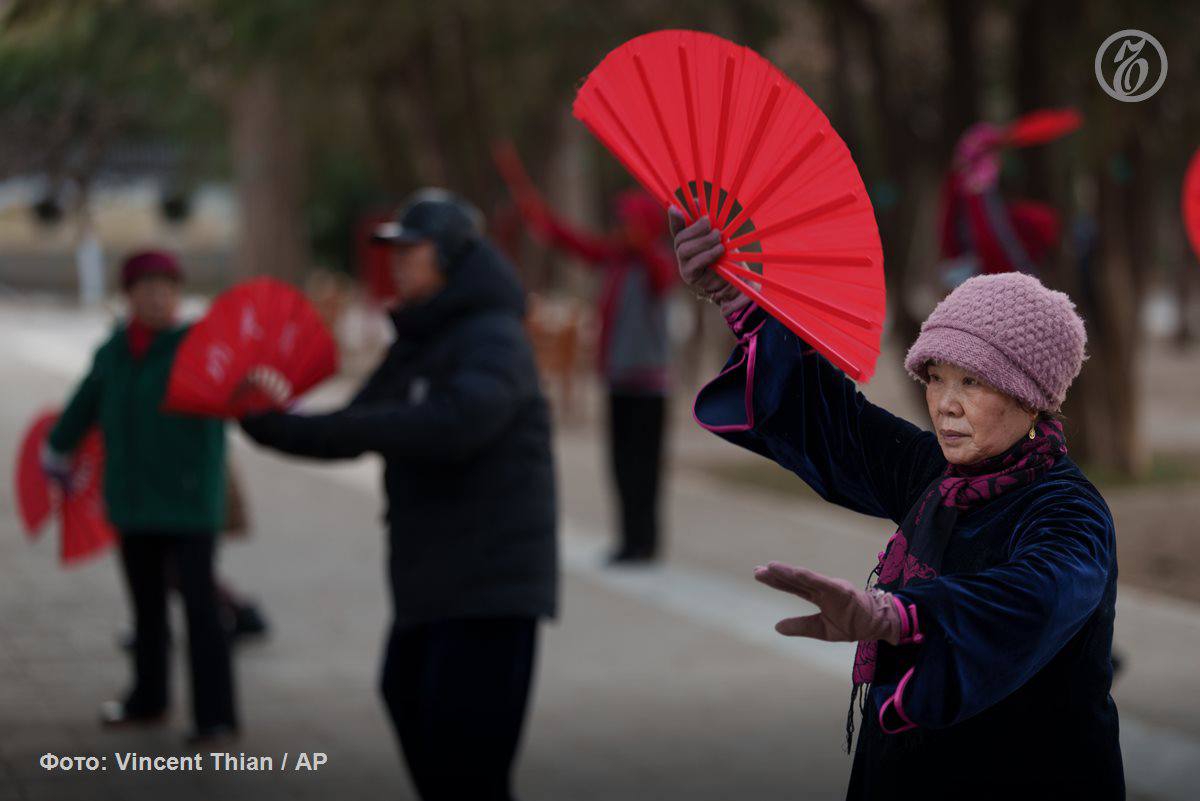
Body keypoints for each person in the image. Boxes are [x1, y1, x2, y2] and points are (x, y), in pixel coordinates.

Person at [672, 209, 1122, 798]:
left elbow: (1034, 597)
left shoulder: (1069, 512)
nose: (945, 405)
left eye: (974, 382)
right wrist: (737, 295)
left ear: (1032, 397)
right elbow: (834, 424)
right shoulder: (936, 473)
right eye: (936, 377)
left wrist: (903, 615)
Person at [239, 189, 557, 801]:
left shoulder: (495, 337)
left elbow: (457, 423)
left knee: (468, 759)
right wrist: (277, 422)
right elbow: (356, 423)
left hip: (493, 582)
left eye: (413, 250)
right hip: (434, 574)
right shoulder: (418, 338)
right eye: (395, 250)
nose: (399, 263)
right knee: (407, 695)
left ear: (453, 256)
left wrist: (320, 425)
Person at [43, 250, 238, 742]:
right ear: (128, 296)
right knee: (146, 609)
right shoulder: (114, 351)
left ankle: (216, 717)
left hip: (190, 500)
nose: (158, 296)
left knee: (201, 610)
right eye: (147, 287)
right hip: (131, 500)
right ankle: (148, 699)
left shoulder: (199, 344)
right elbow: (85, 402)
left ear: (178, 294)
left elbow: (240, 389)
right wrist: (57, 449)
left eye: (167, 286)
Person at [515, 185, 676, 563]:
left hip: (650, 386)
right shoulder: (617, 261)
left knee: (645, 469)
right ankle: (627, 540)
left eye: (630, 220)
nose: (622, 227)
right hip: (618, 381)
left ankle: (646, 542)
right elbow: (582, 246)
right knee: (620, 465)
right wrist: (547, 223)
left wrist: (645, 244)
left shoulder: (660, 263)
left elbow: (661, 277)